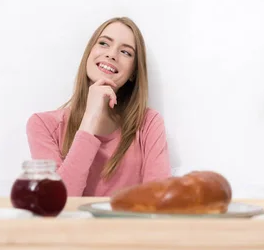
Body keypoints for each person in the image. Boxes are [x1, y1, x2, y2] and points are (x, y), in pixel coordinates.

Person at [26, 16, 172, 196]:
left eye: (126, 52)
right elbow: (59, 201)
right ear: (89, 53)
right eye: (103, 43)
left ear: (133, 73)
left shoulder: (148, 123)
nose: (111, 54)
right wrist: (90, 119)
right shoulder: (43, 125)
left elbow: (157, 200)